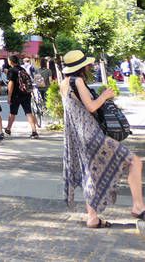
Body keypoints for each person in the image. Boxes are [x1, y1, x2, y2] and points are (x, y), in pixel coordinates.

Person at [60, 49, 145, 232]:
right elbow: (91, 107)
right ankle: (138, 206)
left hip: (78, 138)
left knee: (91, 175)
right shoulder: (78, 81)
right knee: (134, 161)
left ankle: (93, 218)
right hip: (92, 135)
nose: (90, 66)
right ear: (82, 66)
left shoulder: (64, 83)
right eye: (88, 64)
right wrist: (105, 96)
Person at [5, 54, 40, 138]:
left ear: (11, 61)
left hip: (15, 95)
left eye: (8, 60)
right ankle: (34, 131)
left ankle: (8, 129)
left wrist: (9, 96)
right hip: (26, 94)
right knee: (28, 112)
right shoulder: (22, 69)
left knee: (12, 113)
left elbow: (11, 83)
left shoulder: (11, 70)